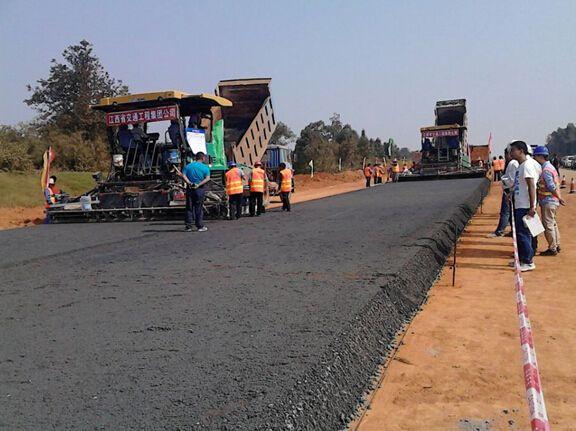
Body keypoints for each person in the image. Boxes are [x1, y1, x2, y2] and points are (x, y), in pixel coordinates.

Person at [509, 140, 542, 271]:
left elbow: (531, 186)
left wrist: (532, 206)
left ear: (521, 151)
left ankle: (528, 261)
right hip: (519, 204)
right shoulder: (521, 166)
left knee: (523, 234)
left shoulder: (527, 165)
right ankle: (522, 259)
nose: (511, 153)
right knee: (520, 233)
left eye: (513, 150)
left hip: (525, 205)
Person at [533, 146, 565, 256]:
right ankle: (556, 244)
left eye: (535, 156)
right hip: (552, 200)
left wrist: (559, 197)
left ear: (540, 156)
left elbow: (551, 186)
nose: (534, 159)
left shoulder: (545, 170)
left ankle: (552, 248)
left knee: (548, 225)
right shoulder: (551, 167)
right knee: (553, 223)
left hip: (548, 200)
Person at [487, 147, 518, 237]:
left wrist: (503, 180)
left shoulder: (512, 163)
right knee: (510, 212)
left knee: (505, 211)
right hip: (510, 190)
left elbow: (511, 180)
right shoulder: (512, 163)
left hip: (509, 191)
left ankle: (499, 231)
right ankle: (513, 230)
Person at [178, 152, 210, 232]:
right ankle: (200, 226)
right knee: (198, 207)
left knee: (189, 207)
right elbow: (207, 178)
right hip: (199, 189)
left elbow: (183, 175)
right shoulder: (205, 168)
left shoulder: (188, 166)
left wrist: (189, 183)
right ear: (203, 158)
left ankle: (188, 226)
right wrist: (198, 185)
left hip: (190, 189)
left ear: (195, 158)